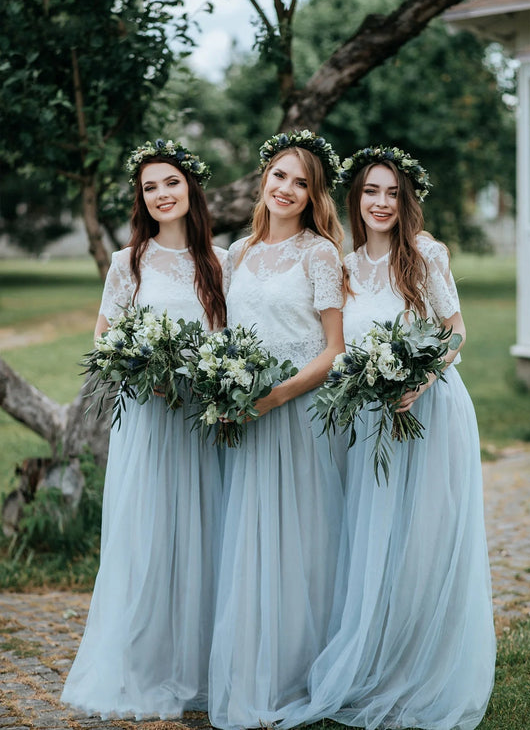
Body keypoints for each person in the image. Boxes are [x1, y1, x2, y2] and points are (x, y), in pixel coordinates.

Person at [282, 146, 496, 730]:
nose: (380, 203)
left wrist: (420, 378)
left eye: (392, 193)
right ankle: (374, 657)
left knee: (421, 538)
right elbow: (338, 346)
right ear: (356, 198)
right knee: (374, 536)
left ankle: (423, 665)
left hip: (428, 411)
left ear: (406, 201)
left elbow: (455, 332)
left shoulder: (426, 255)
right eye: (371, 192)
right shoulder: (346, 266)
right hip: (369, 420)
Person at [61, 139, 227, 720]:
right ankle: (144, 666)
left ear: (191, 189)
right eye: (150, 187)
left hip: (204, 424)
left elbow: (233, 340)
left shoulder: (221, 262)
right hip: (152, 423)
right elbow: (105, 342)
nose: (161, 195)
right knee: (149, 535)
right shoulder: (127, 262)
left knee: (205, 535)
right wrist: (143, 368)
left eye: (171, 183)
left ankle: (204, 665)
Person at [208, 130, 347, 730]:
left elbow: (334, 351)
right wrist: (227, 388)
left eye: (302, 182)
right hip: (247, 416)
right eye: (280, 176)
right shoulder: (236, 252)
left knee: (304, 541)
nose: (287, 189)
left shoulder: (319, 254)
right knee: (251, 539)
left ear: (314, 195)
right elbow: (223, 335)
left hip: (299, 417)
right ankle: (251, 670)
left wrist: (276, 396)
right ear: (263, 177)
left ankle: (301, 672)